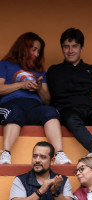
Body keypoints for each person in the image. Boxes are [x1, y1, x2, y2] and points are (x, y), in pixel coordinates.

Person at [47, 28, 92, 165]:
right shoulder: (55, 70)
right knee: (72, 119)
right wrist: (88, 91)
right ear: (62, 48)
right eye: (66, 47)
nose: (70, 50)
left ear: (81, 48)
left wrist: (71, 87)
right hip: (68, 109)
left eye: (74, 46)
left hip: (91, 109)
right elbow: (58, 90)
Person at [0, 32, 72, 165]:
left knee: (50, 111)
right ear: (23, 48)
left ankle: (59, 154)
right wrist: (21, 84)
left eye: (39, 51)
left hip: (34, 106)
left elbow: (47, 100)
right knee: (15, 111)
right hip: (11, 104)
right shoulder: (5, 64)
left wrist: (39, 89)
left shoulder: (39, 71)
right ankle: (5, 153)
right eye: (34, 49)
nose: (37, 54)